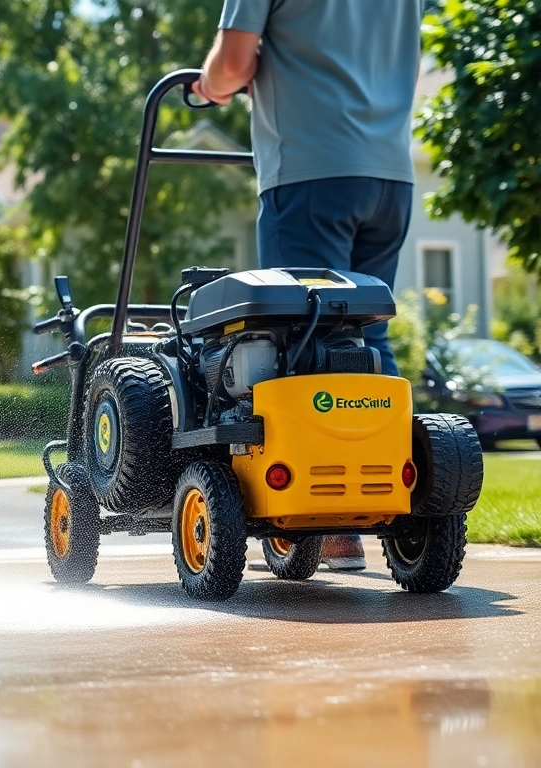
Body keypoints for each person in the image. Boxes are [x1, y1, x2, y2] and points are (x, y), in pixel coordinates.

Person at [195, 0, 424, 571]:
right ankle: (398, 510)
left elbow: (232, 64)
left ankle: (330, 529)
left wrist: (209, 86)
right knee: (366, 336)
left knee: (304, 339)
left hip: (310, 168)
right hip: (390, 174)